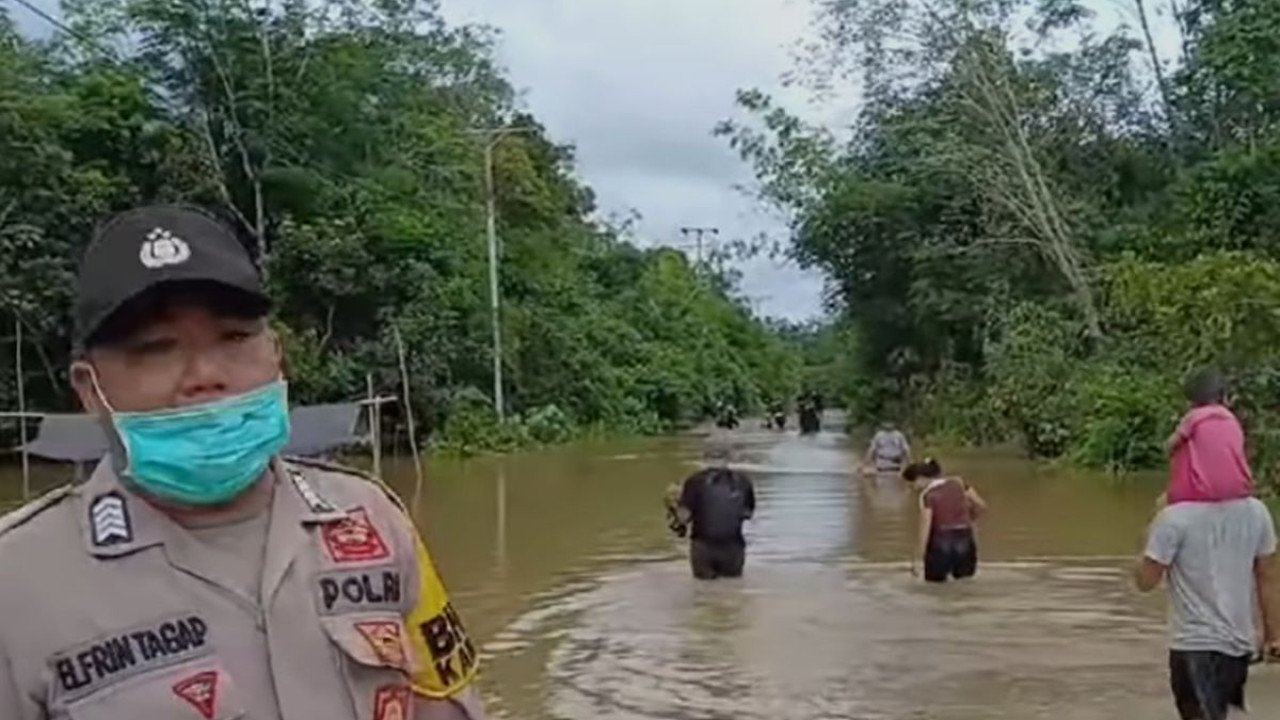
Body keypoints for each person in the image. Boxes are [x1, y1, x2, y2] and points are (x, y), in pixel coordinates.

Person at [0, 205, 484, 720]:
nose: (205, 374)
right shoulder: (17, 580)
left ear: (275, 353)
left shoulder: (370, 519)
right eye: (156, 349)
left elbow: (446, 705)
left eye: (234, 337)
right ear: (89, 389)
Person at [1136, 487, 1280, 719]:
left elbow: (1145, 581)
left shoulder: (1174, 516)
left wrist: (1155, 523)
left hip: (1193, 645)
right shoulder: (1256, 511)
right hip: (1238, 647)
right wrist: (1274, 636)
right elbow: (1268, 578)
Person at [1165, 369, 1252, 505]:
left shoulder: (1194, 416)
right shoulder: (1232, 420)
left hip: (1198, 494)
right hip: (1237, 491)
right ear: (1224, 397)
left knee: (1183, 447)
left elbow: (1171, 444)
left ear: (1191, 400)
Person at [676, 438, 756, 580]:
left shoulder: (694, 481)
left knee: (703, 592)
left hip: (703, 547)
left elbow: (684, 517)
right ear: (729, 459)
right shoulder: (743, 481)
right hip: (734, 547)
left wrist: (676, 506)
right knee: (732, 591)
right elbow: (747, 513)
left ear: (704, 458)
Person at [904, 459, 985, 582]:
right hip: (965, 539)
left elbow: (926, 527)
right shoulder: (959, 483)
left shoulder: (927, 495)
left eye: (912, 483)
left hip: (940, 542)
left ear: (920, 478)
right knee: (965, 584)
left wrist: (918, 558)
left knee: (936, 589)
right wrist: (970, 519)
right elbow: (980, 505)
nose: (913, 487)